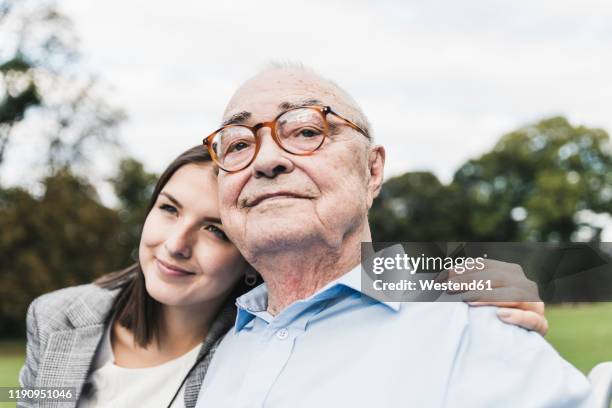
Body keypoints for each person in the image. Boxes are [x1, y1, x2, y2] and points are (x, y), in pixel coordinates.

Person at [195, 64, 593, 407]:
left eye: (304, 130)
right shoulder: (210, 352)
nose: (266, 160)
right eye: (238, 144)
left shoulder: (470, 332)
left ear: (371, 171)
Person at [18, 146, 257, 408]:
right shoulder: (55, 317)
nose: (176, 245)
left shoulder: (254, 357)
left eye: (215, 229)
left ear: (251, 259)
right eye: (169, 209)